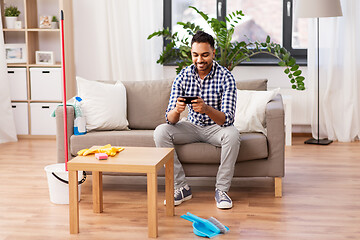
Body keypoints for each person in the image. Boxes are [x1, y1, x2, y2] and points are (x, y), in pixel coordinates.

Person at [154, 31, 240, 209]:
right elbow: (170, 120)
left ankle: (222, 190)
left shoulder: (226, 77)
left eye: (205, 55)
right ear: (191, 54)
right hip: (190, 126)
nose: (200, 60)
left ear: (213, 53)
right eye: (195, 55)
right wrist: (177, 111)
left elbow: (227, 119)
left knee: (232, 135)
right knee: (161, 131)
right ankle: (181, 187)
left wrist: (207, 109)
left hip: (216, 128)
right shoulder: (183, 76)